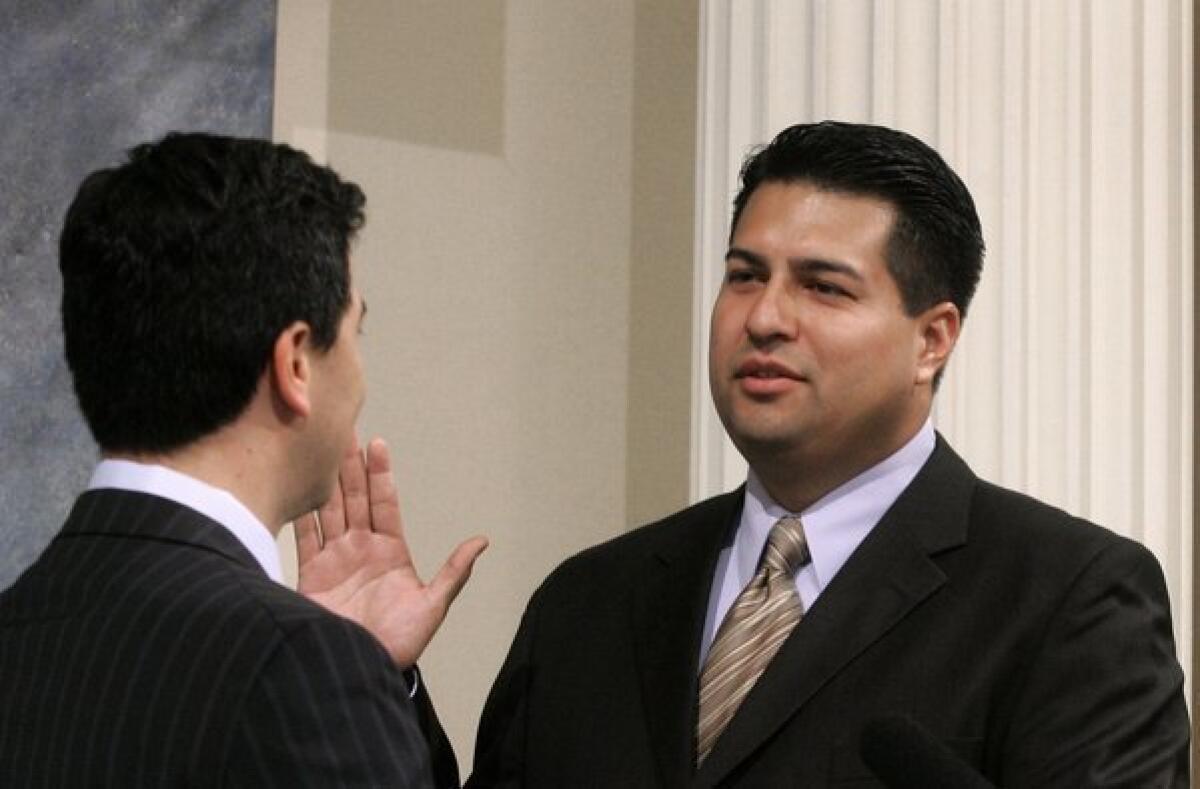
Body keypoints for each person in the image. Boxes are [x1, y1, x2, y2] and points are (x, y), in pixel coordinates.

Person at [465, 122, 1190, 787]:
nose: (765, 317)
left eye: (822, 286)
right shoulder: (588, 599)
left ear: (931, 339)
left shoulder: (1068, 598)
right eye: (745, 275)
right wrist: (373, 674)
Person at [0, 133, 486, 787]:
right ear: (293, 363)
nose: (362, 373)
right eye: (355, 331)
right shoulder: (305, 666)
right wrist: (337, 664)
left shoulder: (19, 626)